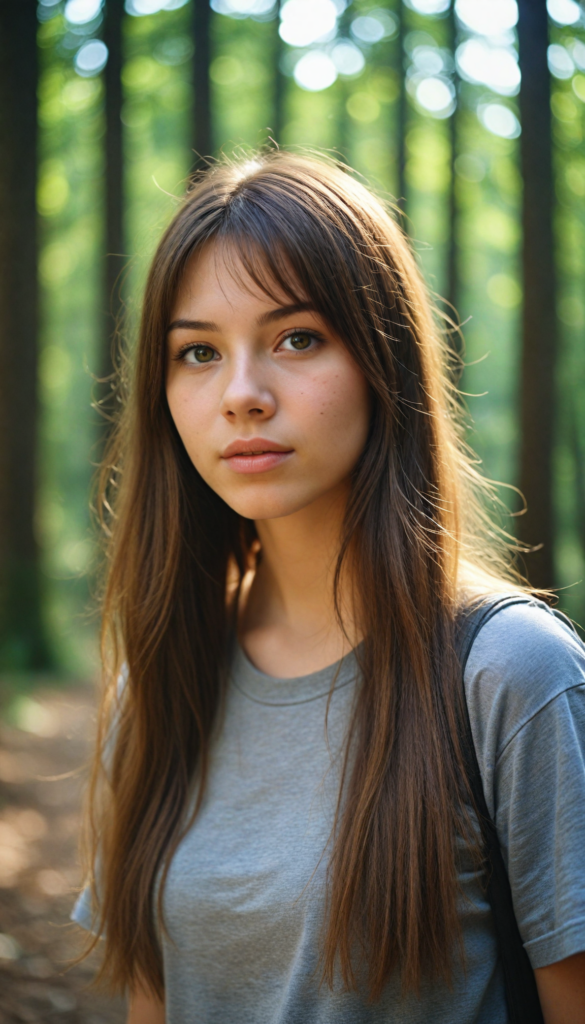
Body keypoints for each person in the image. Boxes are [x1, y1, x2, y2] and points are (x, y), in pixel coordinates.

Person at [72, 153, 585, 1024]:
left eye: (296, 338)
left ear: (385, 359)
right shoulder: (158, 681)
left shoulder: (508, 672)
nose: (241, 395)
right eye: (198, 352)